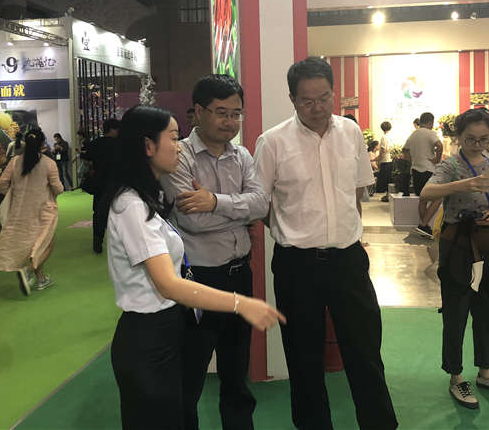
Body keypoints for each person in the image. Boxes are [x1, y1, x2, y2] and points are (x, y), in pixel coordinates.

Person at [106, 105, 284, 430]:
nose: (179, 147)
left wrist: (216, 204)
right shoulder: (131, 206)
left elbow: (260, 204)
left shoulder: (148, 199)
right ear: (148, 146)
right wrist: (241, 303)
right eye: (173, 138)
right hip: (147, 337)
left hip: (166, 329)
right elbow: (169, 284)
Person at [254, 57, 397, 430]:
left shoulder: (350, 132)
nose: (317, 108)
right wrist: (292, 231)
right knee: (303, 359)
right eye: (307, 101)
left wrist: (348, 235)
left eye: (324, 98)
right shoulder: (272, 142)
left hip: (348, 260)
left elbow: (355, 193)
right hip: (297, 266)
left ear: (335, 93)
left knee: (365, 351)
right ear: (292, 99)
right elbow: (260, 203)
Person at [160, 75, 269, 430]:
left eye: (236, 114)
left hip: (239, 274)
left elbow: (261, 205)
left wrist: (214, 202)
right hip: (199, 280)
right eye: (222, 113)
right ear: (198, 112)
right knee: (190, 375)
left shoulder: (243, 155)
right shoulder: (180, 156)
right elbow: (194, 222)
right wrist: (238, 210)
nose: (230, 122)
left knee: (237, 373)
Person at [420, 108, 489, 410]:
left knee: (487, 308)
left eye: (484, 139)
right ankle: (456, 376)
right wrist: (462, 185)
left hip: (487, 245)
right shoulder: (450, 165)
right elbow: (426, 192)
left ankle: (486, 372)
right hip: (459, 248)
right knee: (456, 312)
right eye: (470, 139)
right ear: (459, 138)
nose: (477, 145)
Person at [0, 129, 64, 295]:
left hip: (19, 211)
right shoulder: (48, 163)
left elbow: (2, 183)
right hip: (43, 210)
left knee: (32, 244)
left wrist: (13, 193)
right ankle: (28, 270)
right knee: (46, 243)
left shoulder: (15, 161)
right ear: (42, 144)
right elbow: (58, 188)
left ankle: (41, 279)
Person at [82, 118, 121, 253]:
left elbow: (86, 160)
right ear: (113, 129)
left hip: (99, 182)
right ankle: (119, 243)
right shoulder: (120, 144)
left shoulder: (95, 143)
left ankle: (97, 242)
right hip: (117, 183)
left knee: (98, 213)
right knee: (119, 212)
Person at [402, 112, 443, 238]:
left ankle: (424, 227)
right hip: (428, 170)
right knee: (438, 198)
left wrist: (412, 160)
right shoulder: (430, 133)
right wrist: (437, 159)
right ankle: (423, 224)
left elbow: (404, 150)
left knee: (422, 199)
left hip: (415, 169)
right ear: (430, 122)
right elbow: (439, 145)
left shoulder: (413, 134)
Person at [376, 121, 393, 201]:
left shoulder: (384, 137)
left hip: (385, 160)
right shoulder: (390, 137)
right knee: (389, 179)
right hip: (390, 159)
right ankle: (388, 195)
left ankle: (387, 196)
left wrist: (379, 160)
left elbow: (382, 150)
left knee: (384, 180)